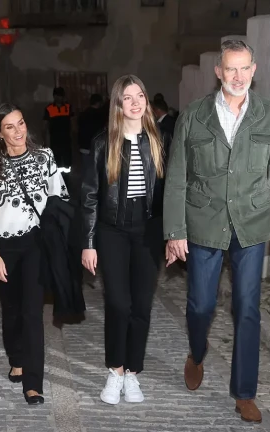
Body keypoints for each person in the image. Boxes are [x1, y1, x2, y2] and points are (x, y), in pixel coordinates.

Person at [163, 40, 270, 423]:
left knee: (247, 307)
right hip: (204, 222)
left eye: (244, 69)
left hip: (253, 223)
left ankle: (244, 393)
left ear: (254, 71)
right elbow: (177, 178)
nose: (237, 76)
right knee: (201, 305)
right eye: (230, 69)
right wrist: (175, 230)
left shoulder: (269, 116)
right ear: (218, 72)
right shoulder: (194, 115)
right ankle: (197, 353)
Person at [80, 75, 167, 405]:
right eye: (127, 97)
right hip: (111, 231)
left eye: (140, 95)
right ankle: (115, 371)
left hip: (148, 231)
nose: (135, 102)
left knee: (141, 306)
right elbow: (89, 195)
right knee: (118, 304)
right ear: (118, 104)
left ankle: (133, 374)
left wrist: (173, 236)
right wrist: (88, 242)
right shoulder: (103, 143)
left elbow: (170, 192)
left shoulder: (159, 140)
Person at [0, 103, 69, 405]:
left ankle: (33, 383)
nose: (18, 131)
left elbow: (60, 196)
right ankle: (16, 357)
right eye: (10, 127)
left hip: (35, 245)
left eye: (21, 123)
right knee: (12, 310)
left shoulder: (45, 157)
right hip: (4, 247)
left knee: (32, 312)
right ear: (0, 134)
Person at [43, 87, 73, 168]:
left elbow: (73, 122)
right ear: (54, 96)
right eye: (58, 95)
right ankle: (58, 179)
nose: (60, 98)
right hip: (55, 140)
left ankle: (67, 179)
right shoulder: (49, 109)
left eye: (61, 96)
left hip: (66, 140)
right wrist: (45, 141)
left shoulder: (68, 107)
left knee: (67, 163)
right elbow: (45, 125)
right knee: (57, 162)